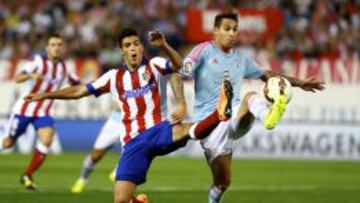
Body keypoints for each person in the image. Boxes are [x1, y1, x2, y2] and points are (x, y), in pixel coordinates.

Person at [25, 28, 233, 203]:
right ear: (121, 51)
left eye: (136, 44)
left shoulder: (155, 65)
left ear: (142, 47)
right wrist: (46, 94)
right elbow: (79, 91)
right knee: (121, 200)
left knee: (186, 130)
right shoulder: (113, 77)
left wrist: (163, 45)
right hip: (133, 142)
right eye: (128, 45)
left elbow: (179, 66)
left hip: (158, 130)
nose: (133, 48)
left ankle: (219, 112)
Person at [179, 12, 325, 203]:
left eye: (235, 29)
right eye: (227, 29)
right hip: (210, 124)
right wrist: (181, 101)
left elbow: (267, 74)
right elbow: (180, 72)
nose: (232, 33)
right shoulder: (202, 51)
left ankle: (269, 117)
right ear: (215, 31)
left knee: (250, 97)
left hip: (234, 116)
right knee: (223, 183)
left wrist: (300, 83)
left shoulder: (241, 59)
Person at [70, 73, 187, 194]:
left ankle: (119, 171)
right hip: (116, 121)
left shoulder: (148, 74)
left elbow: (167, 76)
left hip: (138, 123)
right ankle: (82, 179)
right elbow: (105, 95)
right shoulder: (117, 76)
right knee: (96, 155)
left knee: (134, 150)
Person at [0, 33, 80, 190]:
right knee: (8, 143)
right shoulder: (38, 62)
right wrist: (31, 75)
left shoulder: (64, 67)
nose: (56, 48)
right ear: (47, 47)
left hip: (44, 112)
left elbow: (77, 83)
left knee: (47, 138)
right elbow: (17, 78)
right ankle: (25, 173)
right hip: (24, 109)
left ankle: (27, 175)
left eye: (59, 45)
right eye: (53, 45)